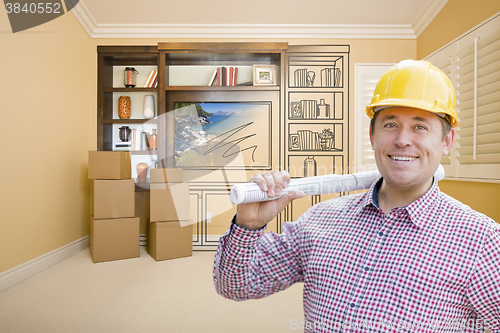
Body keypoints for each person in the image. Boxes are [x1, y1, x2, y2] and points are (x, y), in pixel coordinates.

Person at [213, 60, 500, 332]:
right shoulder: (319, 220)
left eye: (420, 126)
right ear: (373, 136)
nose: (402, 140)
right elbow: (235, 287)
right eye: (390, 124)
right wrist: (248, 225)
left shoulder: (482, 241)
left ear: (446, 141)